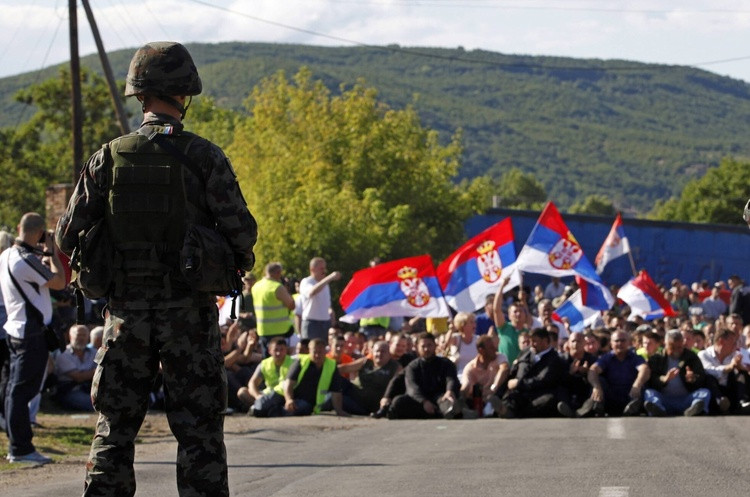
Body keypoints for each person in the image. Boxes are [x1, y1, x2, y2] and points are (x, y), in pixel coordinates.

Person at [55, 42, 257, 497]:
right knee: (199, 431)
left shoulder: (107, 157)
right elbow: (242, 233)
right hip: (189, 314)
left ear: (140, 95)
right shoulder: (205, 157)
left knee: (115, 428)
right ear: (184, 94)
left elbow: (66, 235)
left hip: (125, 315)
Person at [0, 213, 66, 464]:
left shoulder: (7, 254)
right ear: (39, 233)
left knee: (11, 389)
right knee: (21, 391)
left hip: (15, 330)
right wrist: (54, 253)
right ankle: (20, 448)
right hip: (30, 333)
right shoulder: (25, 259)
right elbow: (59, 282)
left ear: (19, 228)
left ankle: (16, 443)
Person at [490, 328, 565, 418]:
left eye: (534, 341)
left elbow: (543, 380)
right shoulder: (526, 353)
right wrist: (499, 393)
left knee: (548, 401)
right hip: (519, 392)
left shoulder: (554, 359)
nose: (531, 344)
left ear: (545, 341)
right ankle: (504, 410)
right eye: (530, 341)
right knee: (510, 398)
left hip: (538, 393)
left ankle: (516, 413)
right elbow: (513, 372)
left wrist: (519, 383)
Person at [388, 332, 461, 419]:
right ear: (417, 348)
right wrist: (424, 401)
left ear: (435, 345)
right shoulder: (413, 366)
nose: (426, 349)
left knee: (449, 404)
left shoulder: (446, 363)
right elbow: (412, 387)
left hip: (440, 398)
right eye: (423, 346)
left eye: (429, 345)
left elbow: (451, 379)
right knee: (398, 402)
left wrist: (450, 391)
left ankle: (442, 412)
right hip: (419, 400)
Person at [582, 330, 649, 417]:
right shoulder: (606, 358)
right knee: (600, 381)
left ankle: (631, 409)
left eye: (623, 340)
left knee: (643, 386)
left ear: (629, 342)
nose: (620, 343)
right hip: (611, 396)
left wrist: (637, 385)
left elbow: (644, 369)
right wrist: (596, 387)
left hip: (630, 395)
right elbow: (593, 370)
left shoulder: (635, 358)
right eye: (616, 341)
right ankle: (596, 407)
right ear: (611, 343)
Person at [644, 329, 710, 416]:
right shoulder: (656, 358)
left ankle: (695, 409)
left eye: (679, 347)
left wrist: (693, 378)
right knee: (649, 392)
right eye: (672, 347)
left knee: (704, 392)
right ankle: (658, 409)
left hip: (686, 398)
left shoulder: (691, 357)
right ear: (665, 344)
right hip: (664, 398)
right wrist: (664, 379)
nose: (676, 350)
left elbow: (701, 376)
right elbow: (651, 379)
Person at [698, 328, 750, 414]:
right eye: (733, 343)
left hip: (729, 389)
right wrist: (730, 367)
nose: (735, 346)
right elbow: (710, 370)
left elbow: (746, 371)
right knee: (709, 377)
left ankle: (741, 402)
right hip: (714, 391)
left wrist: (739, 367)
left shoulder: (735, 355)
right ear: (721, 341)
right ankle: (720, 402)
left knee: (741, 374)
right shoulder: (704, 354)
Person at [251, 262, 295, 357]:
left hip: (263, 329)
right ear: (278, 273)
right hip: (279, 330)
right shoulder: (277, 287)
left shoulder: (256, 286)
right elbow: (291, 305)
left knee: (267, 360)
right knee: (279, 360)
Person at [243, 337, 294, 416]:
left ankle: (261, 408)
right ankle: (264, 407)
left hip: (284, 394)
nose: (278, 353)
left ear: (286, 350)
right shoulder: (264, 363)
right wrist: (258, 397)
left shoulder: (293, 362)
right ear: (270, 351)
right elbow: (252, 383)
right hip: (267, 395)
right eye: (276, 350)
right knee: (242, 392)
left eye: (281, 350)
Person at [53, 324, 96, 411]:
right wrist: (96, 372)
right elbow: (78, 377)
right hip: (70, 390)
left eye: (84, 335)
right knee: (93, 404)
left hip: (91, 388)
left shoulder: (94, 352)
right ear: (70, 336)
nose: (81, 338)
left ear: (88, 337)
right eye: (78, 335)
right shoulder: (63, 353)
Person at [299, 257, 340, 341]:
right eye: (321, 268)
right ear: (312, 269)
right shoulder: (306, 282)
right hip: (312, 323)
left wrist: (332, 317)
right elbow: (312, 291)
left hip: (325, 322)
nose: (324, 271)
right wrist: (330, 278)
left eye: (324, 268)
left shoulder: (325, 285)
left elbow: (327, 305)